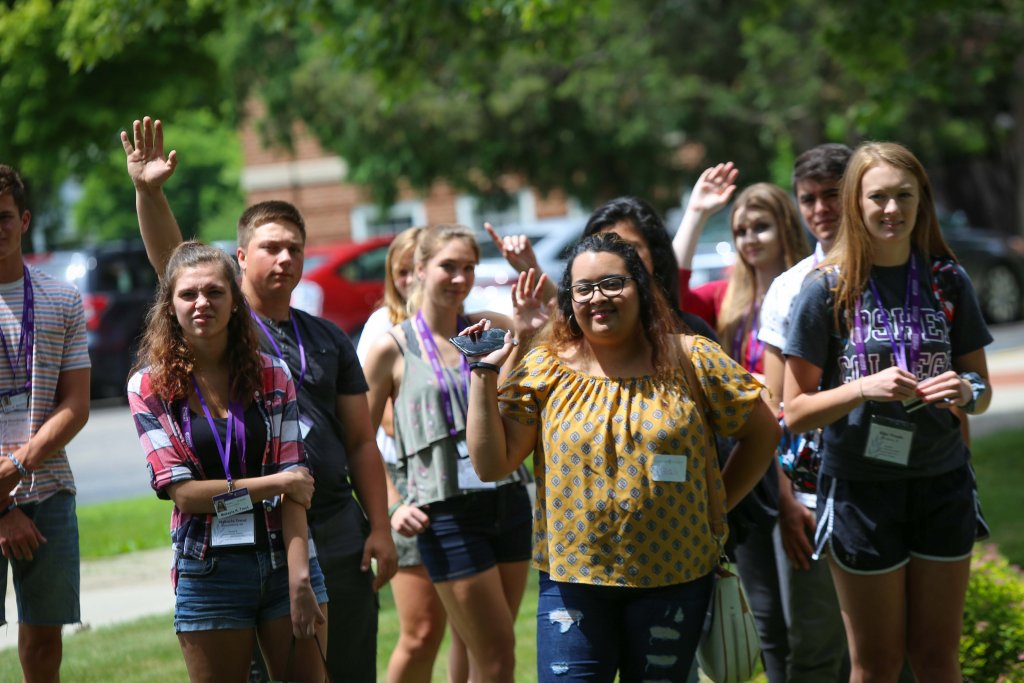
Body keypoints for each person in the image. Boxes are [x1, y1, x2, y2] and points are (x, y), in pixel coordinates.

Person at [122, 116, 397, 682]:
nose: (285, 259)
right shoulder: (226, 319)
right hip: (225, 550)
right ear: (241, 258)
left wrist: (378, 525)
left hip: (322, 526)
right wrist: (149, 193)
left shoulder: (314, 340)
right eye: (270, 247)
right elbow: (176, 264)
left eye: (296, 249)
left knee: (345, 664)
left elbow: (362, 439)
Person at [462, 230, 779, 682]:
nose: (598, 298)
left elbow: (762, 430)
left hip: (675, 578)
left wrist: (718, 504)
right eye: (584, 288)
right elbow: (492, 464)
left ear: (642, 288)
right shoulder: (543, 367)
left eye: (613, 283)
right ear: (568, 299)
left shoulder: (693, 359)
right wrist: (483, 373)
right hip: (572, 585)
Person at [783, 141, 993, 682]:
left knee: (937, 658)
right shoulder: (825, 288)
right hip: (860, 491)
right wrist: (861, 389)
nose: (891, 209)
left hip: (941, 482)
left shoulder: (948, 281)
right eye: (878, 197)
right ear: (855, 203)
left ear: (922, 200)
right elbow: (796, 411)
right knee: (875, 665)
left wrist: (966, 391)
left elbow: (983, 388)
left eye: (904, 195)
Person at [128, 241, 328, 681]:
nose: (202, 303)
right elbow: (185, 494)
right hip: (208, 568)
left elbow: (298, 485)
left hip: (284, 559)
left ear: (235, 302)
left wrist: (300, 579)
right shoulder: (149, 386)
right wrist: (275, 484)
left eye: (215, 292)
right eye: (188, 294)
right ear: (170, 306)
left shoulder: (273, 373)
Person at [363, 224, 533, 683]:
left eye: (468, 268)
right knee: (497, 656)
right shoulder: (390, 347)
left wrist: (529, 273)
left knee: (488, 654)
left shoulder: (492, 330)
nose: (460, 278)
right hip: (446, 513)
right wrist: (393, 505)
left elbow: (549, 336)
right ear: (418, 270)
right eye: (448, 266)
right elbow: (357, 440)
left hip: (510, 501)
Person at [672, 171, 810, 682]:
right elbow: (674, 289)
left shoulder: (810, 288)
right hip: (749, 465)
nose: (750, 240)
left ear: (785, 230)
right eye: (740, 230)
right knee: (765, 610)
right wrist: (696, 212)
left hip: (806, 457)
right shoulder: (722, 299)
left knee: (812, 612)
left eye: (761, 227)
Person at [355, 226, 471, 683]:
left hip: (464, 485)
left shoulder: (465, 325)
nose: (408, 282)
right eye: (400, 272)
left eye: (412, 270)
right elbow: (378, 416)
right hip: (408, 483)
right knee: (422, 631)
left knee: (469, 630)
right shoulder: (386, 329)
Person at [757, 143, 853, 682]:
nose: (820, 209)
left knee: (902, 649)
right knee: (816, 650)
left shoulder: (903, 275)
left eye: (832, 195)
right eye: (808, 198)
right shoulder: (789, 288)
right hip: (811, 495)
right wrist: (786, 500)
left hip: (890, 485)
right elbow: (774, 411)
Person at [0, 164, 91, 681]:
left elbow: (76, 405)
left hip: (49, 488)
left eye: (5, 217)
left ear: (25, 219)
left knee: (43, 646)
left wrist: (15, 466)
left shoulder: (61, 299)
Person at [486, 198, 720, 341]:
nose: (615, 259)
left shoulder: (692, 337)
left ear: (655, 255)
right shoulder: (571, 344)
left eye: (629, 247)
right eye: (604, 246)